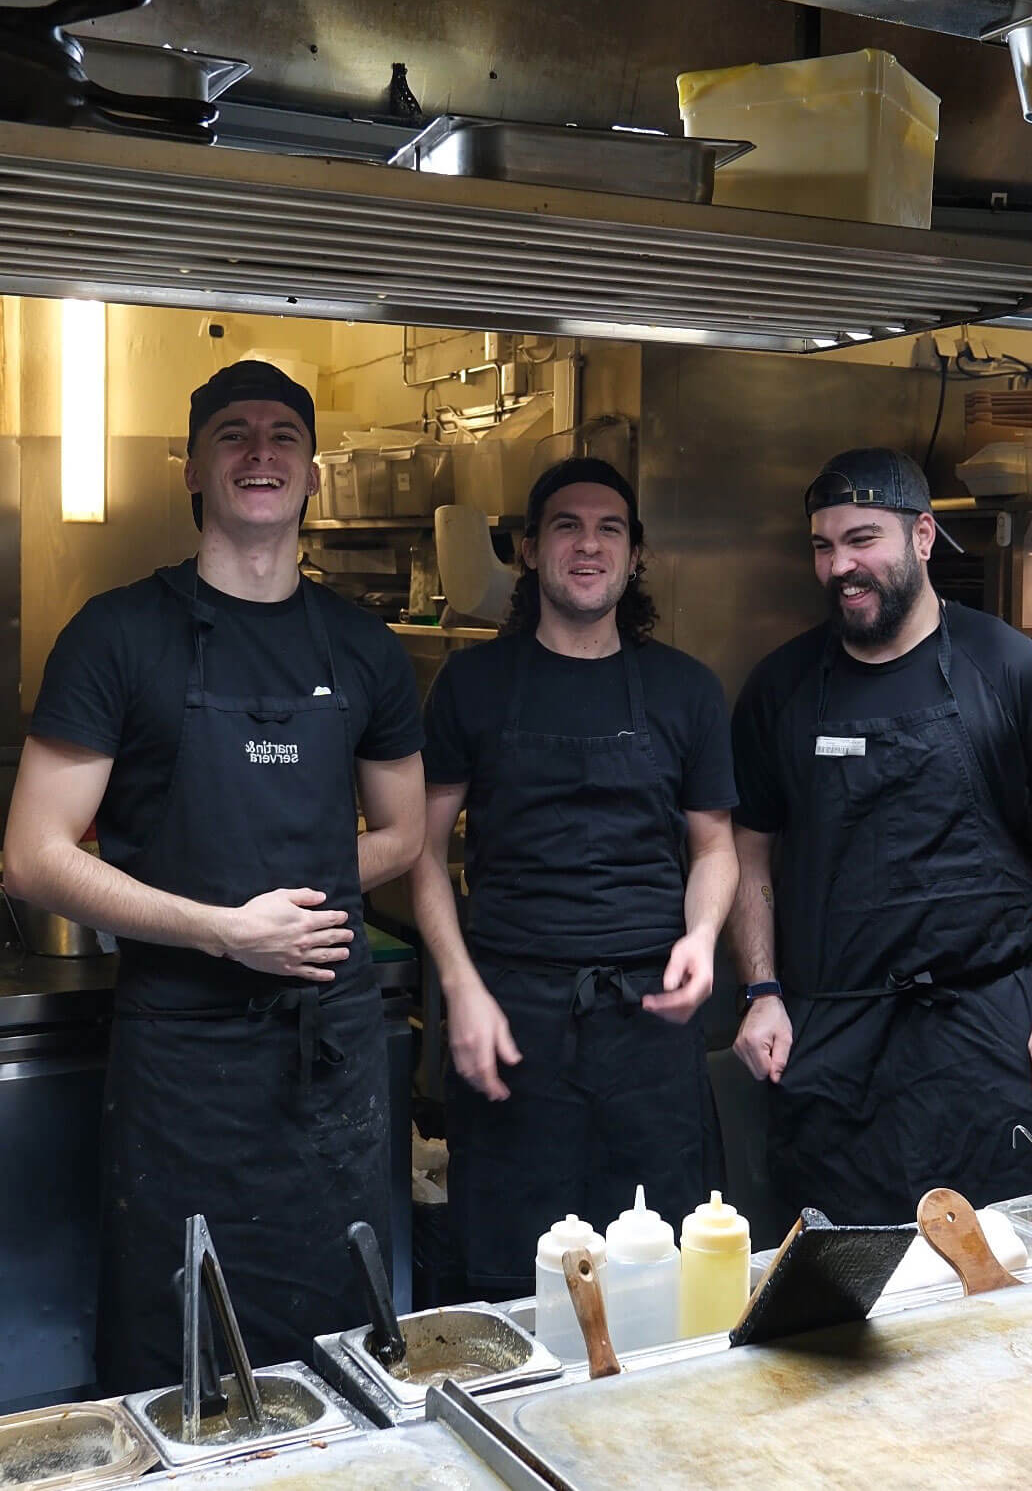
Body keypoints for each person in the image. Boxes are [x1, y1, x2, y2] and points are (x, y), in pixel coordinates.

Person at [3, 361, 425, 1393]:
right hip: (183, 1064)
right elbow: (32, 853)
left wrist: (305, 903)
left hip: (331, 1058)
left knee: (338, 1351)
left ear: (314, 472)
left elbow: (406, 831)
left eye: (283, 434)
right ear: (189, 466)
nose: (260, 452)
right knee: (176, 1344)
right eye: (232, 433)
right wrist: (222, 927)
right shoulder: (117, 634)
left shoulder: (363, 645)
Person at [728, 447, 1032, 1230]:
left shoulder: (1010, 669)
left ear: (920, 536)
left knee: (1010, 1278)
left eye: (862, 538)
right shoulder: (780, 688)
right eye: (822, 545)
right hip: (834, 1039)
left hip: (989, 1040)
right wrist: (762, 990)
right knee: (841, 1305)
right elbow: (747, 848)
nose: (840, 564)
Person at [411, 456, 739, 1297]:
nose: (588, 545)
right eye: (566, 525)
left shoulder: (684, 689)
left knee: (656, 1267)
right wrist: (461, 987)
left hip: (650, 1022)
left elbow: (713, 846)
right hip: (513, 1017)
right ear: (528, 549)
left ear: (634, 556)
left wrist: (702, 937)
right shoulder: (471, 685)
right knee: (513, 1272)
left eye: (609, 529)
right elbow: (419, 848)